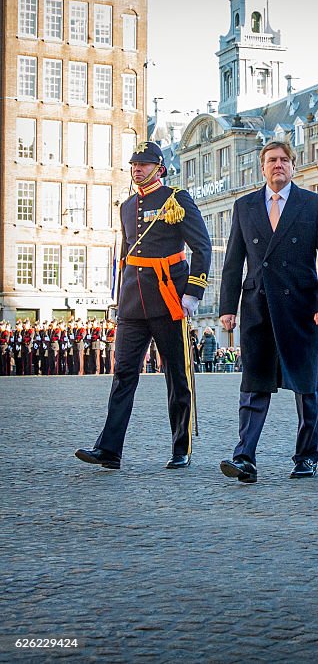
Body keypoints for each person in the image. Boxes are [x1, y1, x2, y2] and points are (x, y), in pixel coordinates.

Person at [74, 141, 211, 471]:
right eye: (135, 164)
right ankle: (109, 449)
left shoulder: (176, 200)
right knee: (122, 375)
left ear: (159, 167)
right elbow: (124, 258)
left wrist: (192, 293)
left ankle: (181, 447)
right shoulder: (126, 206)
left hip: (168, 299)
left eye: (145, 164)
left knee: (177, 376)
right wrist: (118, 299)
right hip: (133, 304)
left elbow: (202, 246)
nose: (138, 168)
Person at [218, 141, 318, 483]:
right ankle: (245, 457)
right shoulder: (244, 206)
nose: (278, 165)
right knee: (253, 384)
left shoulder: (313, 205)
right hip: (257, 306)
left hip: (301, 308)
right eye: (271, 160)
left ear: (293, 166)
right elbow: (233, 262)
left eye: (284, 160)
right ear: (262, 167)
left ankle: (306, 456)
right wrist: (228, 307)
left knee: (305, 387)